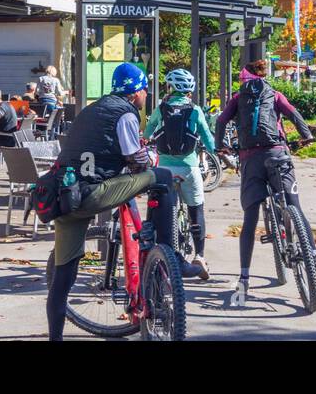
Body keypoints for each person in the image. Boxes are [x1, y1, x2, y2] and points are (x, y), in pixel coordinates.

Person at [45, 62, 177, 341]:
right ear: (135, 92)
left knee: (63, 278)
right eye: (144, 90)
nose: (145, 96)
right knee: (161, 176)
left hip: (66, 197)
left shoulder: (90, 110)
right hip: (95, 193)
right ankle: (169, 255)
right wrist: (152, 157)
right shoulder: (125, 114)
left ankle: (54, 338)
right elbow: (137, 160)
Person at [215, 59, 314, 305]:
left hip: (251, 160)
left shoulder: (238, 98)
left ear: (245, 77)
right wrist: (307, 136)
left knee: (250, 219)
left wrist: (221, 147)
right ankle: (313, 258)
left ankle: (245, 277)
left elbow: (220, 122)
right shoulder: (275, 94)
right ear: (265, 75)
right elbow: (293, 114)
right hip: (278, 153)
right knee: (295, 207)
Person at [143, 68, 215, 280]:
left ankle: (155, 255)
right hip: (189, 168)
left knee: (158, 209)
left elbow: (148, 133)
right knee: (196, 209)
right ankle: (199, 256)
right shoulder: (195, 110)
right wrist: (218, 151)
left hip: (164, 169)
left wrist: (146, 138)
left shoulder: (161, 108)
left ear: (170, 87)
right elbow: (208, 140)